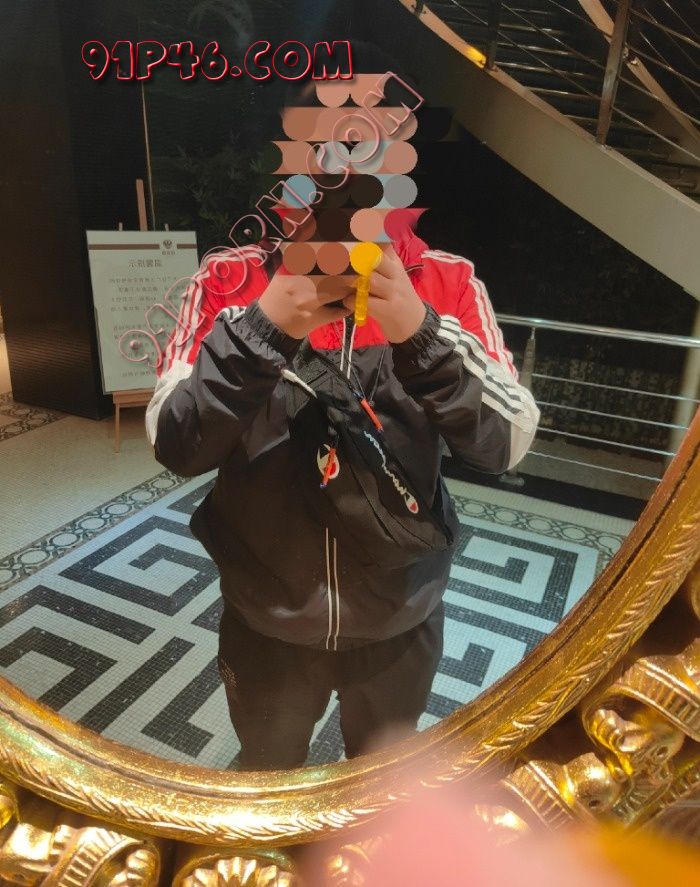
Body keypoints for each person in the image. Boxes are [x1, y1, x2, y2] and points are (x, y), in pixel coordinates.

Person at [145, 75, 540, 770]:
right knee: (268, 776)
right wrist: (263, 328)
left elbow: (504, 443)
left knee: (380, 791)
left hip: (401, 619)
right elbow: (176, 441)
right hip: (265, 618)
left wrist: (419, 332)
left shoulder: (446, 283)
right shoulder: (228, 282)